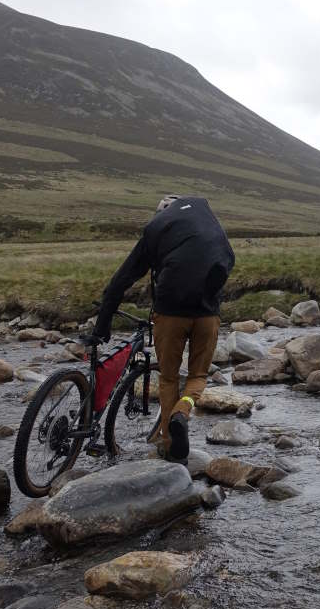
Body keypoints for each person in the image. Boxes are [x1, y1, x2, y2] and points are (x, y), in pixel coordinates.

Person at [91, 194, 235, 462]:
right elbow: (227, 261)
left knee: (168, 377)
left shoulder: (156, 230)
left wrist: (103, 324)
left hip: (170, 312)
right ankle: (183, 411)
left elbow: (120, 280)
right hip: (207, 314)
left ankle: (170, 442)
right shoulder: (208, 221)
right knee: (197, 377)